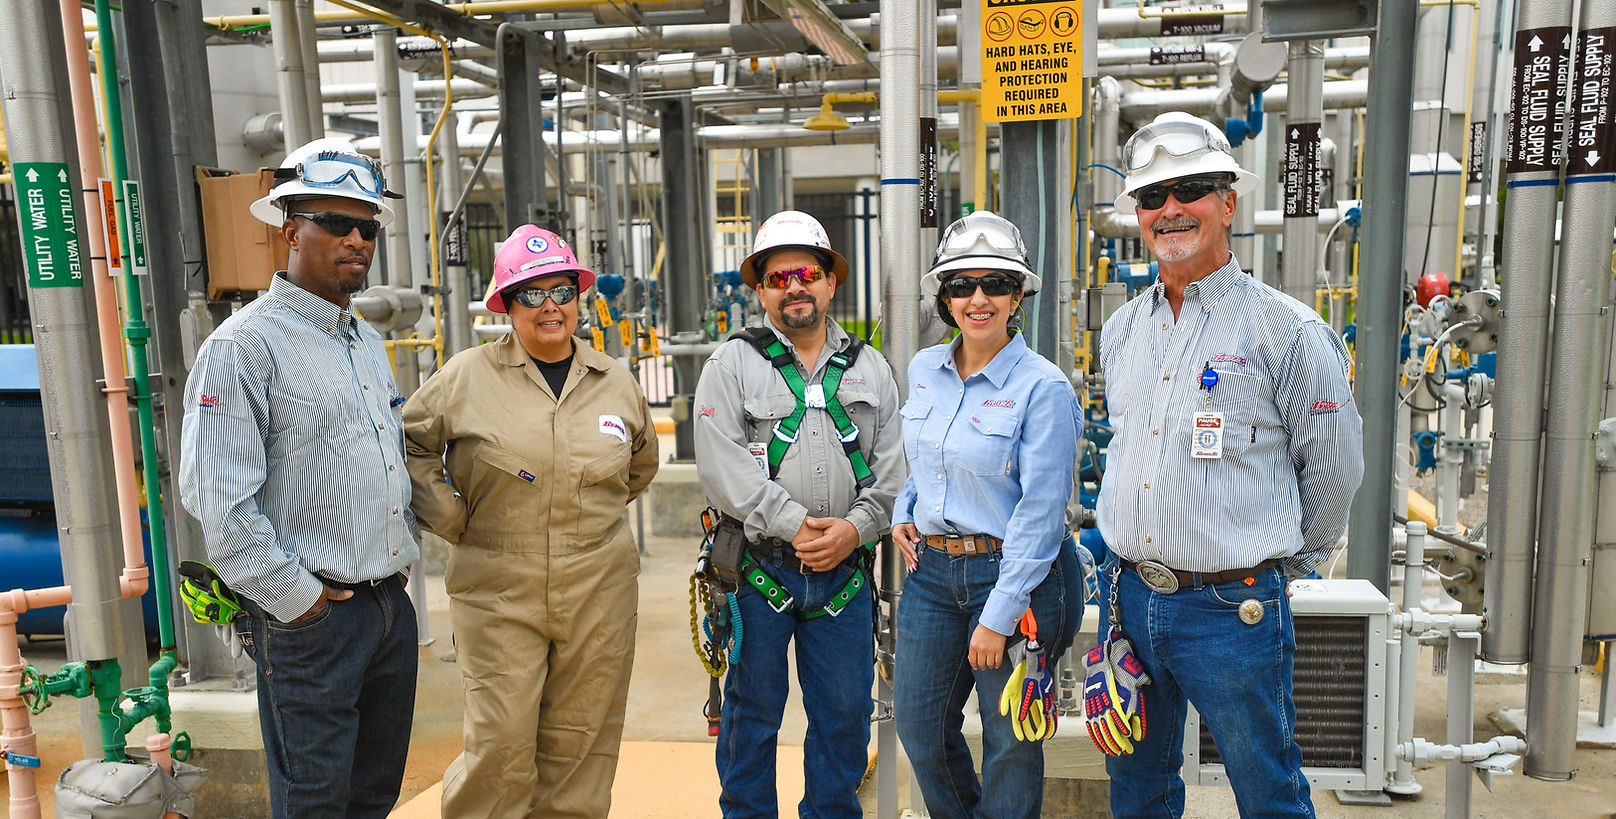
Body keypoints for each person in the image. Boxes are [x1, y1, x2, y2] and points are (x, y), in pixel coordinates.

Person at [1091, 111, 1364, 817]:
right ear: (1139, 217)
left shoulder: (1289, 331)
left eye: (1193, 189)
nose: (1171, 209)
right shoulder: (1122, 331)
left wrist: (1287, 568)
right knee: (1138, 790)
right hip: (1129, 601)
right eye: (1153, 196)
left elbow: (1334, 468)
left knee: (1267, 789)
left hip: (1233, 610)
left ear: (1230, 201)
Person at [178, 137, 418, 818]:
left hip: (385, 612)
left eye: (367, 226)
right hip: (313, 623)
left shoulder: (365, 342)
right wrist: (300, 602)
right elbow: (219, 505)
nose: (356, 239)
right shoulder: (243, 348)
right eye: (335, 223)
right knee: (315, 804)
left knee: (372, 798)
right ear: (290, 229)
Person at [403, 225, 659, 817]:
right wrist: (451, 517)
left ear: (580, 298)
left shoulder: (614, 381)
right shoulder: (466, 376)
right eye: (530, 293)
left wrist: (579, 518)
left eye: (562, 291)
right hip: (496, 581)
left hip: (599, 581)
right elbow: (410, 445)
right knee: (501, 740)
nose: (550, 307)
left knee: (582, 740)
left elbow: (640, 466)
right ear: (506, 305)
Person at [693, 210, 904, 818]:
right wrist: (792, 523)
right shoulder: (731, 366)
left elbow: (893, 470)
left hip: (845, 575)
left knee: (843, 718)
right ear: (761, 289)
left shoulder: (870, 370)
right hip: (760, 570)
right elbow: (721, 465)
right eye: (779, 277)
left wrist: (856, 530)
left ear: (831, 281)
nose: (795, 287)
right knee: (750, 718)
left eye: (807, 272)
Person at [889, 211, 1083, 819]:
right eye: (960, 285)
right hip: (932, 575)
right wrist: (905, 506)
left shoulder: (1042, 388)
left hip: (1015, 578)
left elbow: (1042, 513)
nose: (978, 299)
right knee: (919, 727)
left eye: (996, 283)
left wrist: (999, 616)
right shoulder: (925, 370)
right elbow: (926, 458)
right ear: (944, 298)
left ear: (1019, 293)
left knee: (1009, 744)